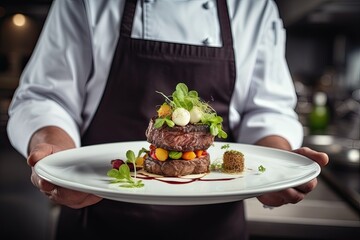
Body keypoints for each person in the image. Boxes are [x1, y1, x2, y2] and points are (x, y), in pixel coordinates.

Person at [7, 0, 328, 239]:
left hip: (215, 229)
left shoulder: (254, 6)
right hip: (98, 218)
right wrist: (56, 158)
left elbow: (268, 110)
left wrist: (276, 171)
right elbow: (46, 97)